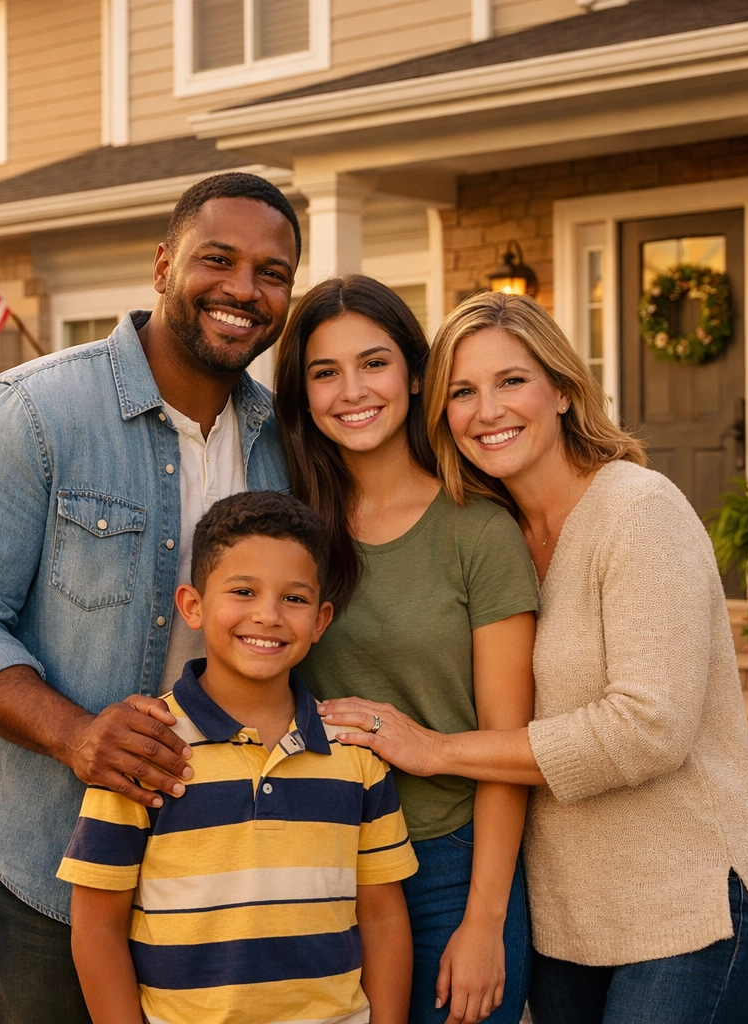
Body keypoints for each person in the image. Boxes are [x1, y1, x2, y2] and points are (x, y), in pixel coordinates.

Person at [318, 292, 748, 1024]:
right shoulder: (497, 529)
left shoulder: (638, 510)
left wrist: (440, 749)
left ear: (565, 390)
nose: (487, 411)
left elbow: (649, 728)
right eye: (463, 392)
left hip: (693, 905)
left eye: (511, 381)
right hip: (569, 922)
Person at [0, 172, 299, 1023]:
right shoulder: (33, 411)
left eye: (272, 272)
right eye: (219, 259)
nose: (244, 289)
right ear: (164, 264)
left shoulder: (287, 444)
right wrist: (77, 734)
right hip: (48, 848)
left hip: (225, 854)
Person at [273, 276, 538, 1024]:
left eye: (374, 363)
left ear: (416, 374)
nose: (352, 391)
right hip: (312, 861)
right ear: (302, 393)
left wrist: (484, 921)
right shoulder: (290, 530)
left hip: (446, 869)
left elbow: (508, 747)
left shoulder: (478, 530)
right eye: (325, 372)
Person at [58, 490, 418, 1024]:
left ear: (321, 620)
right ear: (193, 605)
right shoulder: (146, 745)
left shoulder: (352, 751)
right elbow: (96, 927)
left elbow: (384, 916)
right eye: (243, 591)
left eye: (294, 599)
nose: (268, 616)